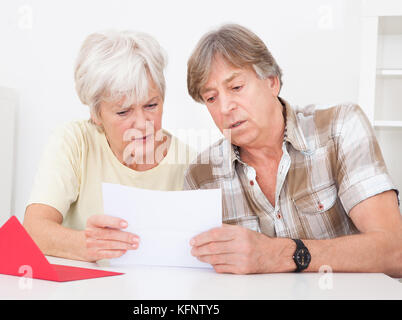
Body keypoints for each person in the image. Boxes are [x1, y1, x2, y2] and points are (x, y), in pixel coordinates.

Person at [185, 23, 402, 277]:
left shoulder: (340, 128)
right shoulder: (202, 176)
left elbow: (394, 252)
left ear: (272, 83)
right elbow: (193, 277)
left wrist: (281, 254)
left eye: (236, 87)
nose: (224, 108)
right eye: (211, 98)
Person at [23, 30, 195, 263]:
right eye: (123, 111)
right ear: (96, 114)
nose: (142, 124)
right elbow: (34, 230)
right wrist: (88, 244)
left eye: (151, 105)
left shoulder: (190, 163)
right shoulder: (75, 141)